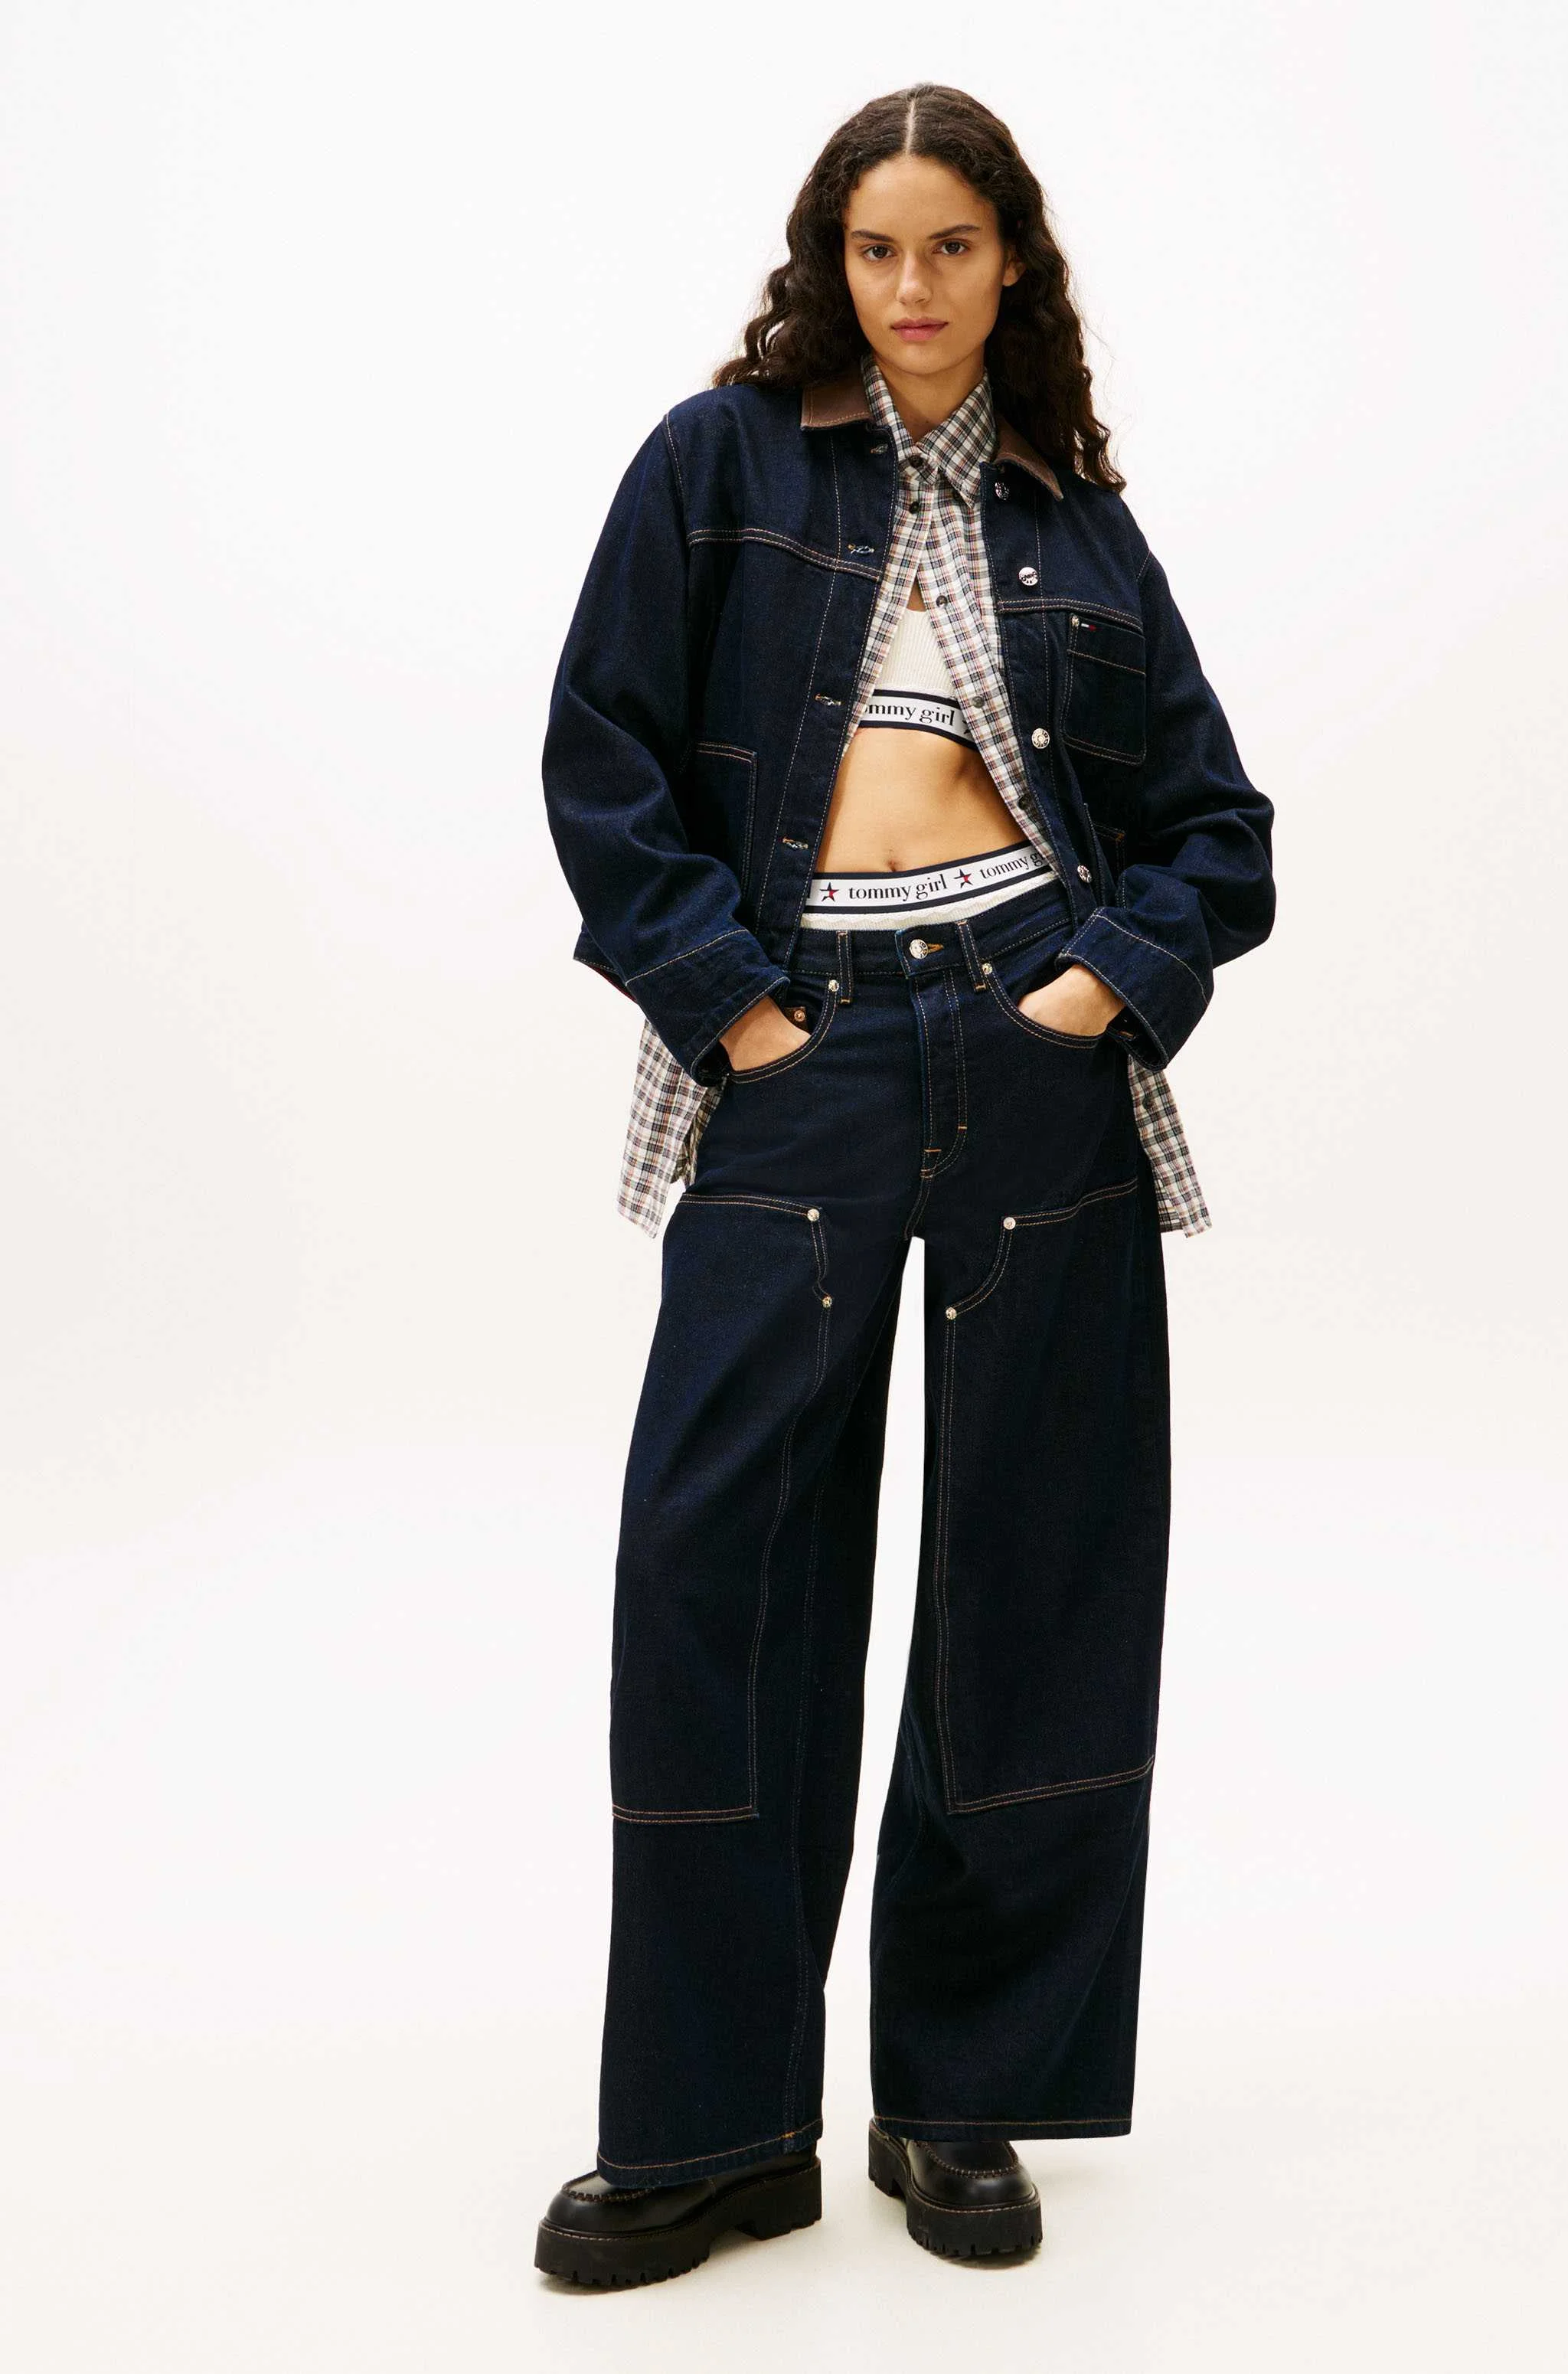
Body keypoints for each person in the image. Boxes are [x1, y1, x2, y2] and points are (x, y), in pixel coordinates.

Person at [532, 82, 1276, 2288]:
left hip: (1032, 1052)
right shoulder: (721, 462)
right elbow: (602, 760)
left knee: (1030, 1567)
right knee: (718, 1567)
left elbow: (1216, 830)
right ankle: (711, 2129)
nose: (915, 286)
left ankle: (960, 2098)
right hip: (803, 1048)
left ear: (1009, 261)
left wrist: (1093, 991)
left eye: (952, 246)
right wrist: (737, 1010)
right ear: (830, 262)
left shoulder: (1077, 521)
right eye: (878, 249)